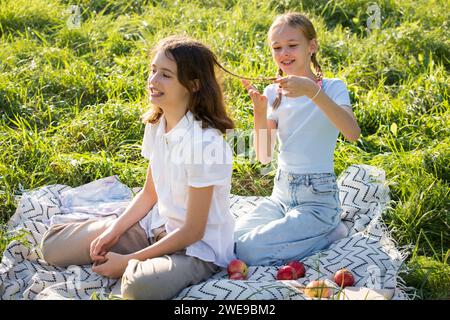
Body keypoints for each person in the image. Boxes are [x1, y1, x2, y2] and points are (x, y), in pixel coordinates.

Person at [40, 36, 236, 299]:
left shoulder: (205, 144)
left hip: (196, 250)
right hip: (153, 229)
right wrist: (113, 232)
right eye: (153, 70)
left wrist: (129, 260)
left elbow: (193, 230)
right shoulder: (157, 124)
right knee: (53, 248)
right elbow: (149, 194)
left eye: (165, 75)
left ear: (193, 84)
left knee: (138, 287)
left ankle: (137, 266)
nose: (153, 81)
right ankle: (118, 240)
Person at [234, 12, 361, 266]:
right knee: (230, 243)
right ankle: (307, 235)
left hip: (317, 199)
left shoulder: (333, 88)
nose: (284, 53)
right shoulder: (273, 92)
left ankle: (328, 233)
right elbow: (263, 156)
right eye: (277, 47)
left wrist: (312, 91)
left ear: (311, 46)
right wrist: (260, 112)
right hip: (280, 196)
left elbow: (352, 133)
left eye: (292, 45)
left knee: (249, 251)